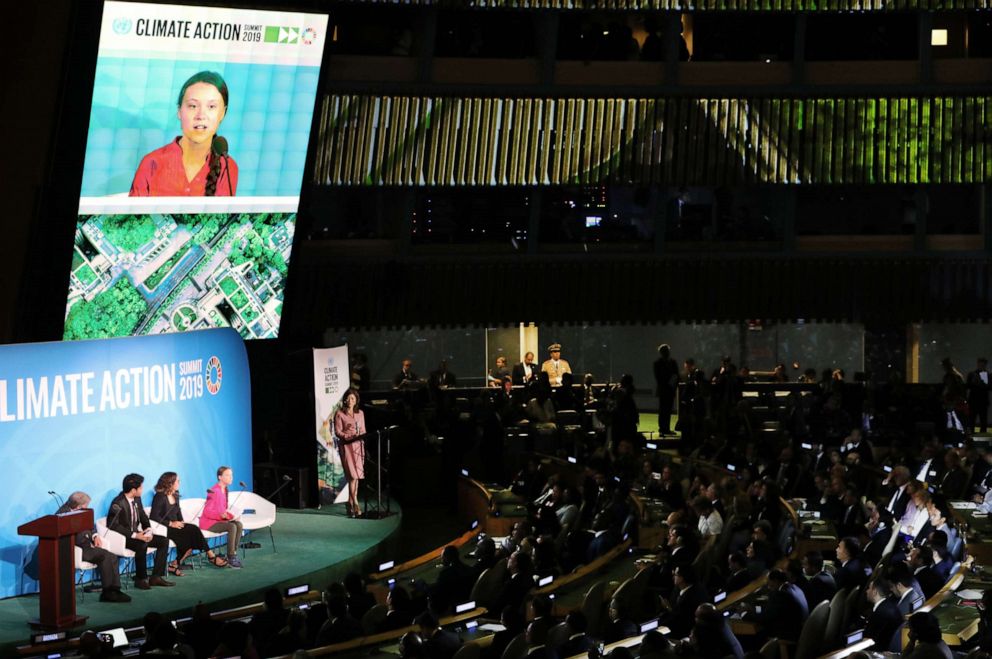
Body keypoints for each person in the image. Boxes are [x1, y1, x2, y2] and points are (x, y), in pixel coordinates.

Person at [129, 71, 238, 196]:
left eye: (211, 106)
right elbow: (135, 215)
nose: (201, 115)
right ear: (179, 111)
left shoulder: (227, 167)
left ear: (222, 113)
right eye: (192, 106)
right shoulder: (152, 162)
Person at [57, 491, 130, 602]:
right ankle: (107, 592)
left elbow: (90, 526)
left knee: (112, 556)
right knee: (104, 555)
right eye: (86, 505)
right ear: (78, 506)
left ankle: (115, 589)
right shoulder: (62, 514)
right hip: (77, 549)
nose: (87, 507)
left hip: (87, 545)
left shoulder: (81, 510)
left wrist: (95, 536)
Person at [149, 471, 228, 572]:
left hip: (176, 525)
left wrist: (182, 522)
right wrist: (171, 523)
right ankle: (211, 556)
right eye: (177, 481)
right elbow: (154, 516)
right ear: (170, 483)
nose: (179, 483)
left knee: (193, 529)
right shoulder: (159, 496)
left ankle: (176, 564)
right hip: (165, 528)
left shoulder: (175, 494)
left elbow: (178, 511)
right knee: (189, 537)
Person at [108, 473, 173, 589]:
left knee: (164, 541)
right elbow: (113, 525)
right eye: (141, 487)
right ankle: (141, 579)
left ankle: (156, 577)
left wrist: (148, 529)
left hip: (138, 534)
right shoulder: (117, 503)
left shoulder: (137, 498)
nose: (142, 489)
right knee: (142, 544)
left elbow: (142, 515)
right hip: (125, 538)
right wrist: (135, 535)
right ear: (133, 490)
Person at [200, 466, 244, 569]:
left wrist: (232, 516)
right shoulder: (214, 491)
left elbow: (223, 510)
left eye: (231, 475)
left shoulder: (225, 490)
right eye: (227, 475)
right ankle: (231, 556)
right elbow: (207, 512)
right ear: (220, 477)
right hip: (208, 523)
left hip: (218, 520)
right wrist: (221, 516)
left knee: (238, 524)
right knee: (232, 527)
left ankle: (233, 552)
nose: (231, 477)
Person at [334, 388, 367, 518]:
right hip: (347, 446)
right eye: (348, 398)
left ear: (356, 400)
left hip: (358, 446)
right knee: (352, 476)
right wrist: (348, 436)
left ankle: (350, 502)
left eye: (353, 398)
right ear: (345, 400)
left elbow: (363, 430)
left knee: (356, 477)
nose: (350, 400)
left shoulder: (360, 413)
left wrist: (359, 435)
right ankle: (356, 503)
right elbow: (338, 432)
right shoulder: (340, 414)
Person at [653, 344, 679, 436]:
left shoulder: (671, 362)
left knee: (668, 410)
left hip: (669, 389)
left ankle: (666, 428)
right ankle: (662, 428)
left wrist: (672, 385)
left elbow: (676, 375)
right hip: (664, 389)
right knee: (663, 409)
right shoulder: (658, 363)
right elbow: (658, 377)